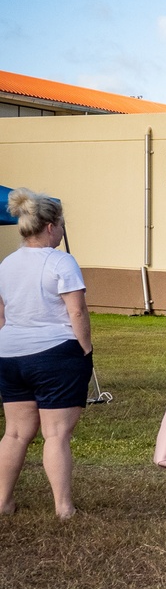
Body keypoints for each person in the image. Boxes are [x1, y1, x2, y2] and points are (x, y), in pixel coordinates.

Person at [0, 189, 93, 520]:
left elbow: (1, 314)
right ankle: (63, 508)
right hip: (55, 354)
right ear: (51, 226)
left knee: (14, 433)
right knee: (55, 434)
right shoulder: (61, 261)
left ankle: (3, 501)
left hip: (10, 354)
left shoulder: (7, 263)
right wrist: (85, 349)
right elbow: (77, 313)